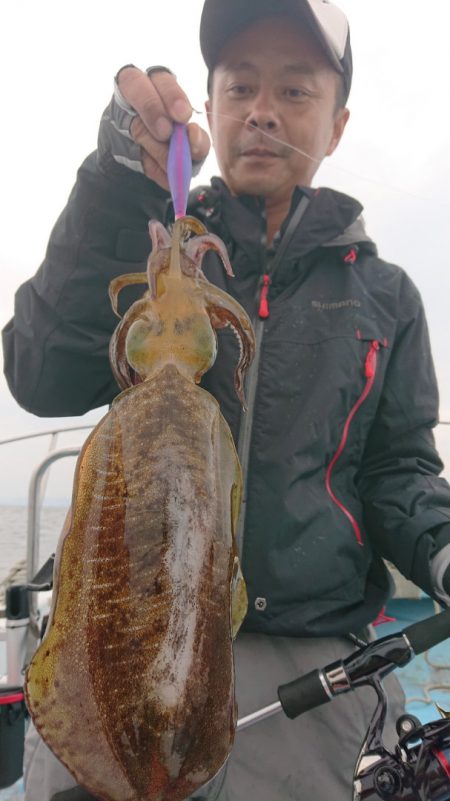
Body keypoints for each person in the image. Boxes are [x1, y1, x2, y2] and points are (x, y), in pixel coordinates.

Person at [4, 1, 450, 799]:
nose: (263, 112)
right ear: (209, 106)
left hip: (302, 668)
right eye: (240, 86)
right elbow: (38, 373)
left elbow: (398, 474)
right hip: (121, 631)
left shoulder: (383, 297)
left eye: (295, 91)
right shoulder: (144, 240)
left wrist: (442, 544)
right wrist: (111, 180)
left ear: (338, 124)